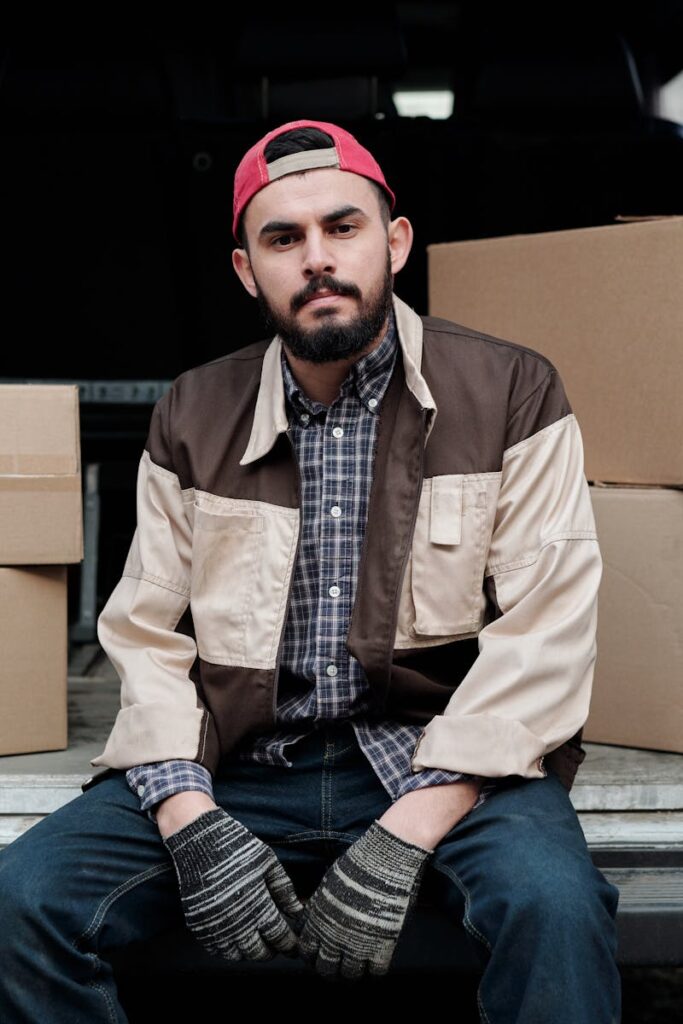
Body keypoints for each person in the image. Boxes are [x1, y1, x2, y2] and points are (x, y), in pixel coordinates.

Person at [0, 119, 621, 1022]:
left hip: (444, 760)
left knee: (556, 910)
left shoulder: (511, 392)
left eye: (343, 227)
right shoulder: (192, 411)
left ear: (395, 242)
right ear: (248, 270)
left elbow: (545, 638)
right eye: (282, 239)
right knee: (20, 905)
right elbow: (145, 634)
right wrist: (187, 816)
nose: (316, 259)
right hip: (243, 761)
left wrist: (409, 829)